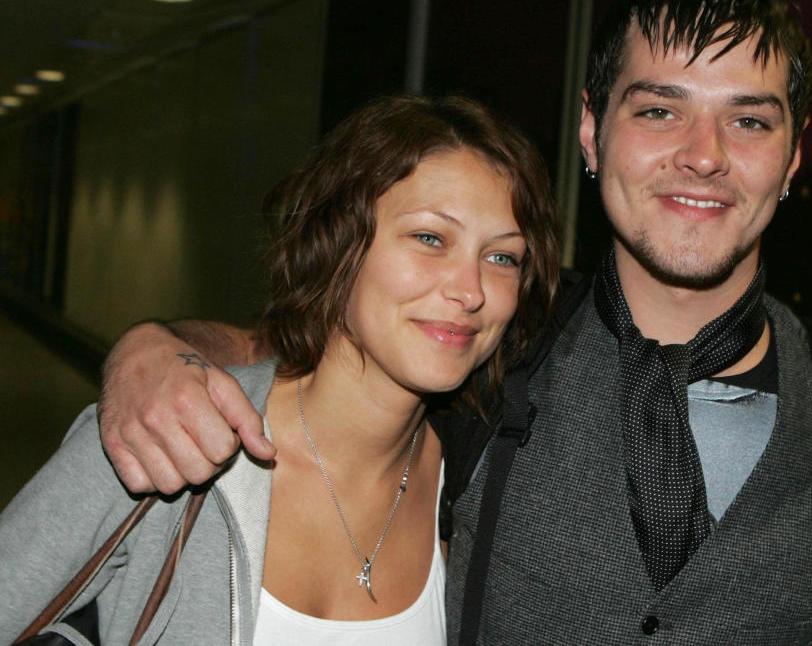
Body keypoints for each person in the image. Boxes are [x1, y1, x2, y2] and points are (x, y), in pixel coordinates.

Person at [93, 0, 812, 645]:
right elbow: (284, 347)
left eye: (749, 122)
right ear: (591, 133)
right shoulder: (495, 343)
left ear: (793, 159)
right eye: (658, 110)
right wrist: (153, 347)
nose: (703, 156)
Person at [0, 94, 559, 644]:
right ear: (339, 244)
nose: (470, 290)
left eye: (502, 257)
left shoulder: (477, 484)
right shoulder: (171, 434)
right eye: (430, 238)